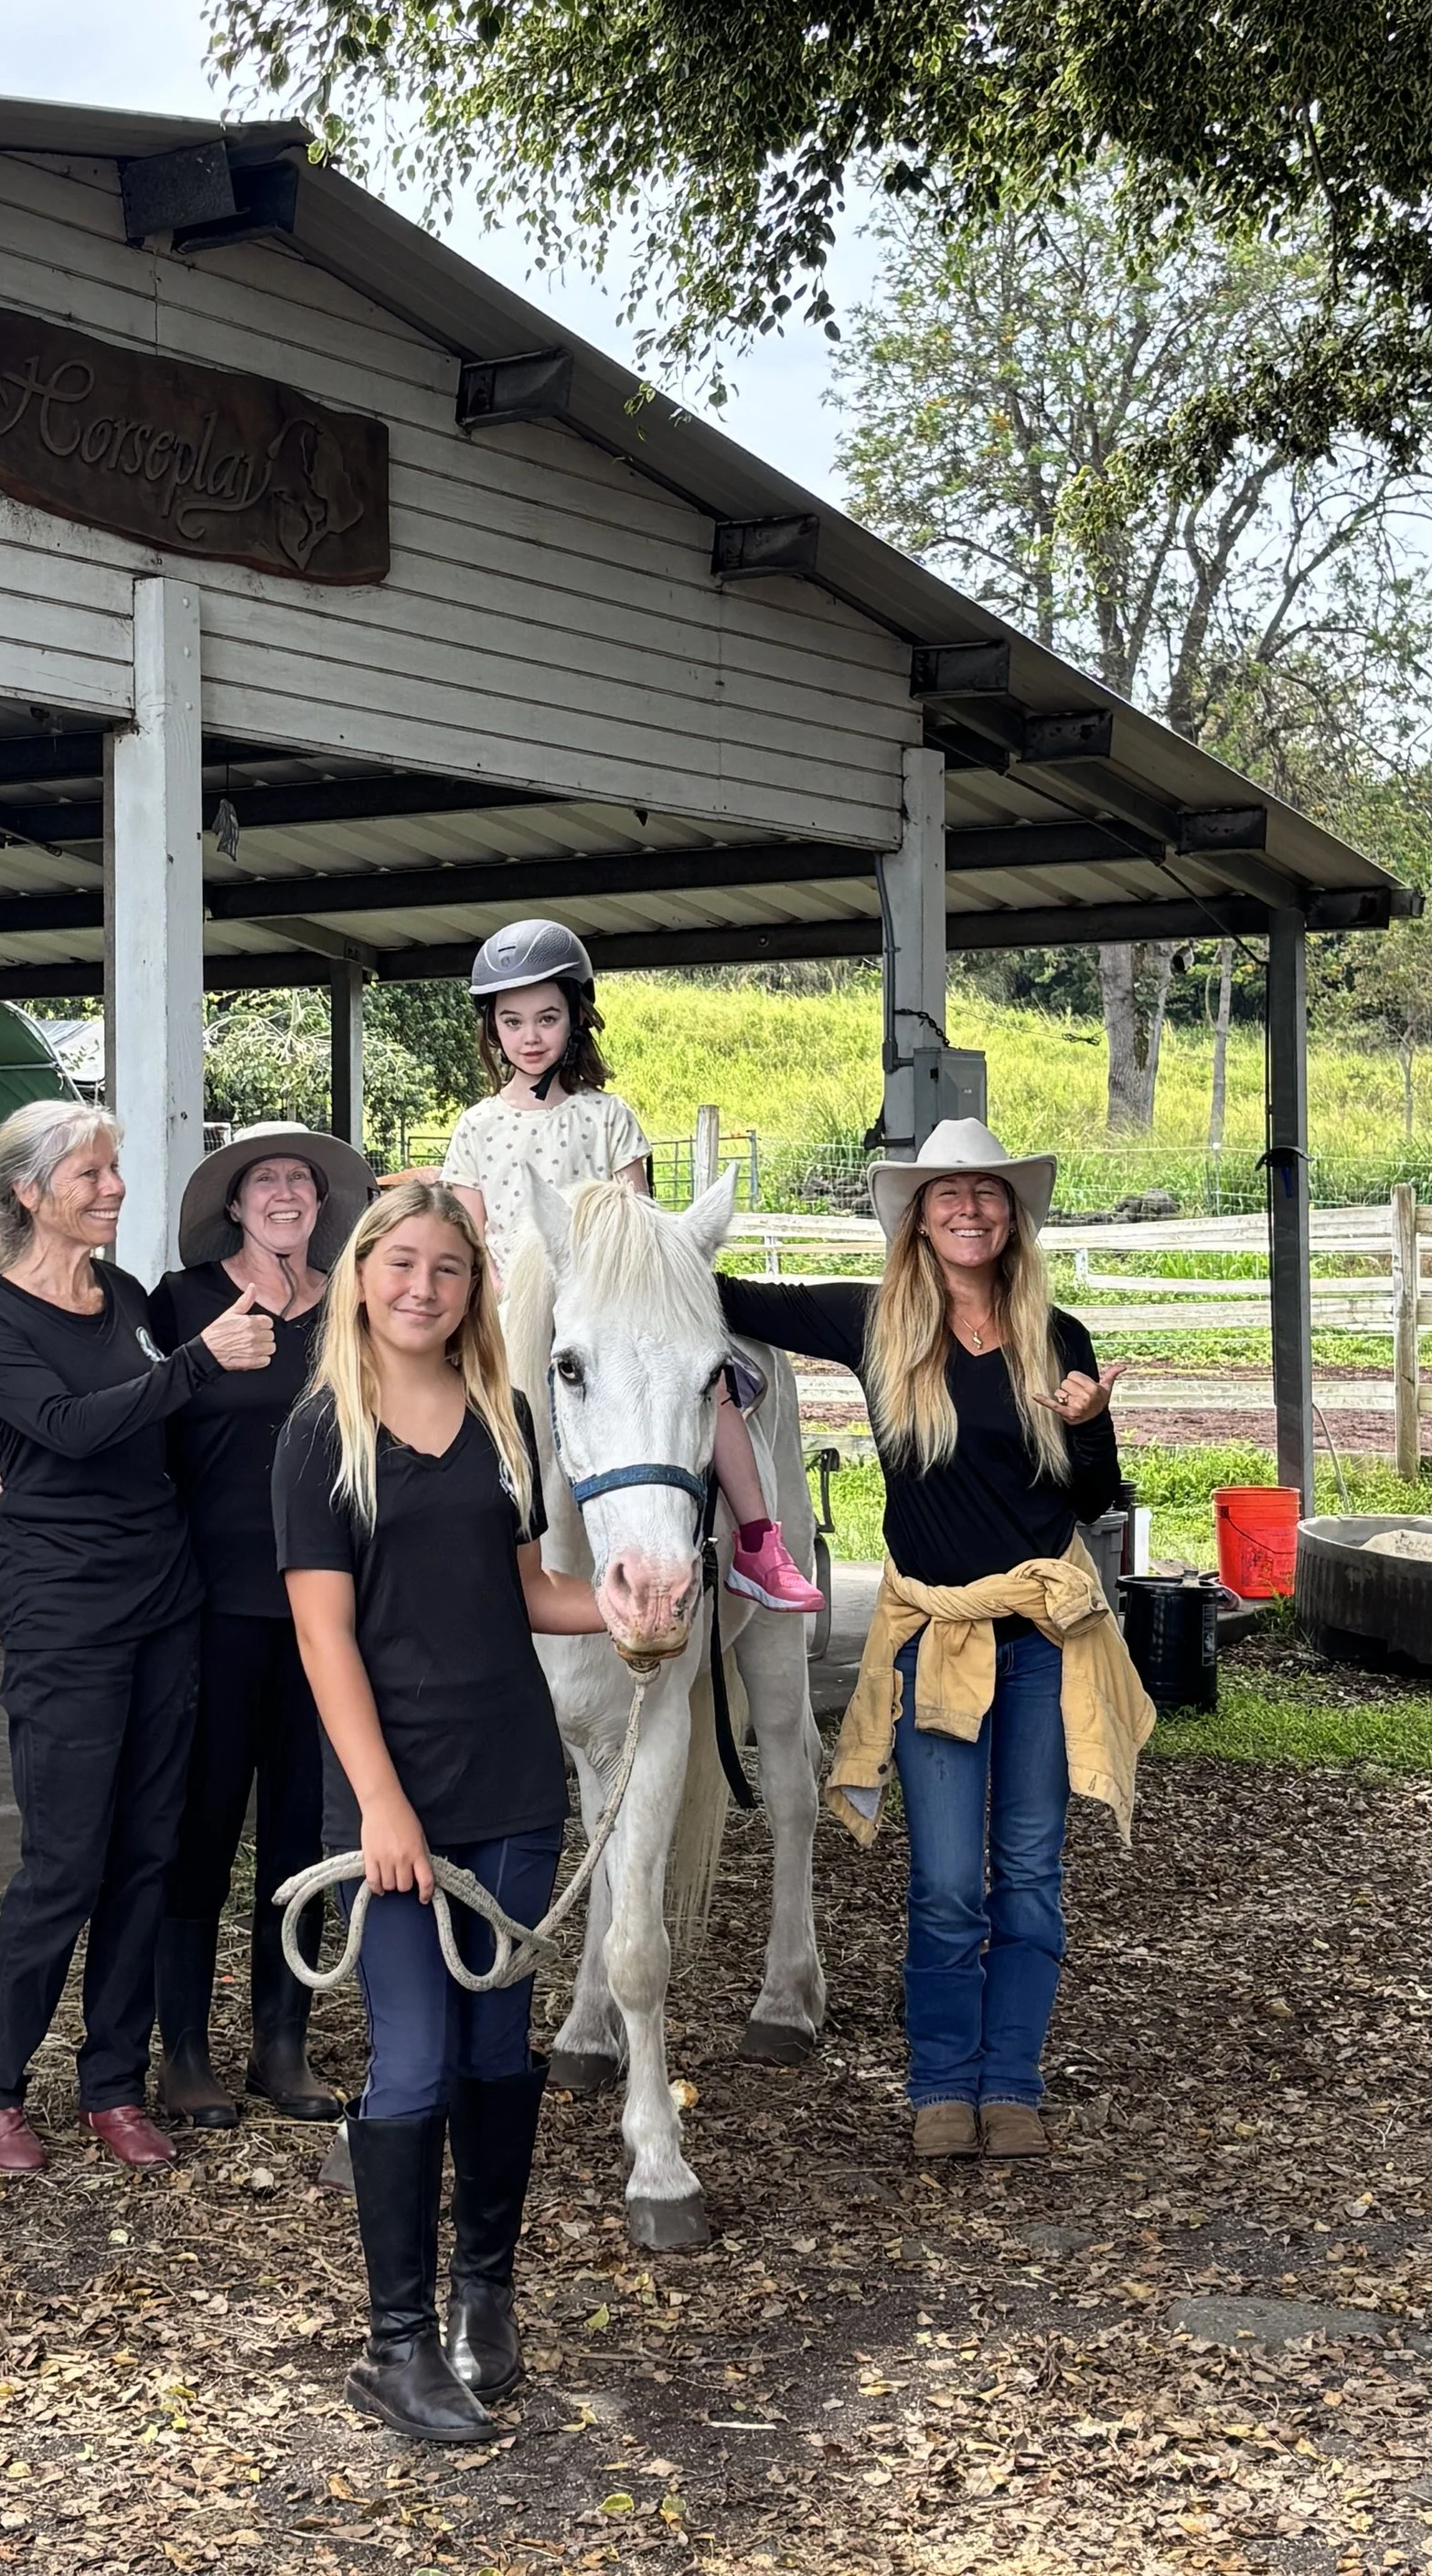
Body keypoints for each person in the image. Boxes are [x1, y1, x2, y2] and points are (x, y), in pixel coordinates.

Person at [713, 1117, 1154, 2163]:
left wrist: (1088, 1425)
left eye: (987, 1191)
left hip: (1041, 1634)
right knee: (949, 1880)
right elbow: (728, 1296)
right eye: (947, 1192)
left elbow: (1094, 1498)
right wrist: (625, 1226)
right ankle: (943, 2084)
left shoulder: (1058, 1336)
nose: (968, 1208)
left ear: (1012, 1215)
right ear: (915, 1217)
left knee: (1029, 1871)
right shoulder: (874, 1324)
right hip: (932, 1638)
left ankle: (1013, 2084)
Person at [276, 1178, 608, 2442]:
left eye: (449, 1269)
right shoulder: (320, 1433)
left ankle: (486, 2294)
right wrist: (380, 1806)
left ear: (475, 1292)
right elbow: (323, 1637)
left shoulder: (503, 1416)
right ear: (362, 1274)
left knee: (495, 2048)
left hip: (511, 1782)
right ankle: (395, 2344)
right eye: (402, 1263)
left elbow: (525, 1589)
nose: (423, 1287)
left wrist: (631, 1608)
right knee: (411, 2053)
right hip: (390, 1800)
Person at [0, 1101, 280, 2177]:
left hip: (164, 1603)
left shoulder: (124, 1296)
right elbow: (69, 1428)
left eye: (113, 1169)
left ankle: (112, 2084)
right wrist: (198, 1362)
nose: (114, 1188)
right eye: (90, 1173)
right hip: (67, 1617)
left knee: (148, 1854)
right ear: (29, 1193)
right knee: (65, 1861)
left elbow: (153, 1430)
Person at [439, 916, 822, 1614]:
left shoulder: (608, 1116)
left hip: (608, 1305)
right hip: (511, 1313)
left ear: (575, 1020)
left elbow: (638, 1226)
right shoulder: (475, 1127)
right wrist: (499, 1306)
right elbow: (469, 1238)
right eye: (512, 1021)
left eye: (547, 1018)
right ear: (492, 1028)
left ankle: (759, 1543)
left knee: (712, 1390)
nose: (530, 1036)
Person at [149, 1120, 374, 2129]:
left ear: (322, 1205)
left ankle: (282, 2045)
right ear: (234, 1205)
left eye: (301, 1181)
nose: (285, 1193)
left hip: (324, 1608)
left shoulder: (353, 1310)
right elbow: (133, 1416)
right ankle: (183, 2050)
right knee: (199, 1825)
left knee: (300, 1826)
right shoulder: (183, 1302)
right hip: (211, 1605)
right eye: (264, 1180)